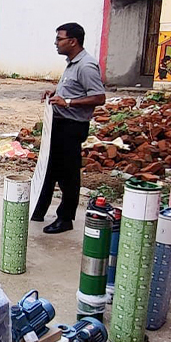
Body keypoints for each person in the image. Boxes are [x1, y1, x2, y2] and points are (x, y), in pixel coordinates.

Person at [33, 22, 106, 234]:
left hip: (72, 126)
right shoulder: (72, 63)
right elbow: (71, 89)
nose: (56, 43)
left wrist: (69, 103)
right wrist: (55, 93)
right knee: (50, 168)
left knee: (68, 175)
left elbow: (99, 97)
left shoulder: (86, 65)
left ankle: (66, 218)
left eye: (59, 39)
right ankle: (39, 209)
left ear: (72, 41)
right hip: (60, 124)